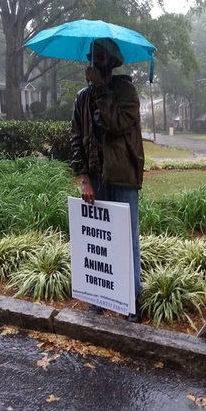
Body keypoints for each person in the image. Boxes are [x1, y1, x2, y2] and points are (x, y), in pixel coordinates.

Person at [70, 38, 144, 323]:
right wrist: (84, 178)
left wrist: (101, 89)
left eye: (103, 57)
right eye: (94, 57)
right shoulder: (82, 98)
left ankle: (131, 298)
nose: (97, 62)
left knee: (127, 238)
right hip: (96, 177)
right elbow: (76, 138)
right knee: (97, 238)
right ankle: (99, 296)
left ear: (112, 62)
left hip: (123, 176)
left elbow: (117, 125)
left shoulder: (126, 91)